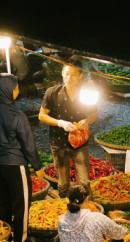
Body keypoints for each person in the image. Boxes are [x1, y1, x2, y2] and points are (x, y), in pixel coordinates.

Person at [0, 74, 45, 242]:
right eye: (16, 87)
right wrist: (37, 166)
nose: (18, 90)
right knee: (22, 205)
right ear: (11, 90)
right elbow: (28, 143)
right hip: (15, 164)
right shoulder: (17, 115)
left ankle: (4, 238)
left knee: (3, 202)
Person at [38, 60, 98, 194]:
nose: (69, 78)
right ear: (62, 73)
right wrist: (61, 123)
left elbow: (94, 115)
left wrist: (87, 121)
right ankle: (65, 209)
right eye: (66, 74)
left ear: (80, 75)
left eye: (74, 75)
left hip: (80, 143)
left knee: (84, 182)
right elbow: (42, 116)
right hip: (59, 142)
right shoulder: (52, 92)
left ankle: (85, 210)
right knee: (63, 183)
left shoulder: (86, 94)